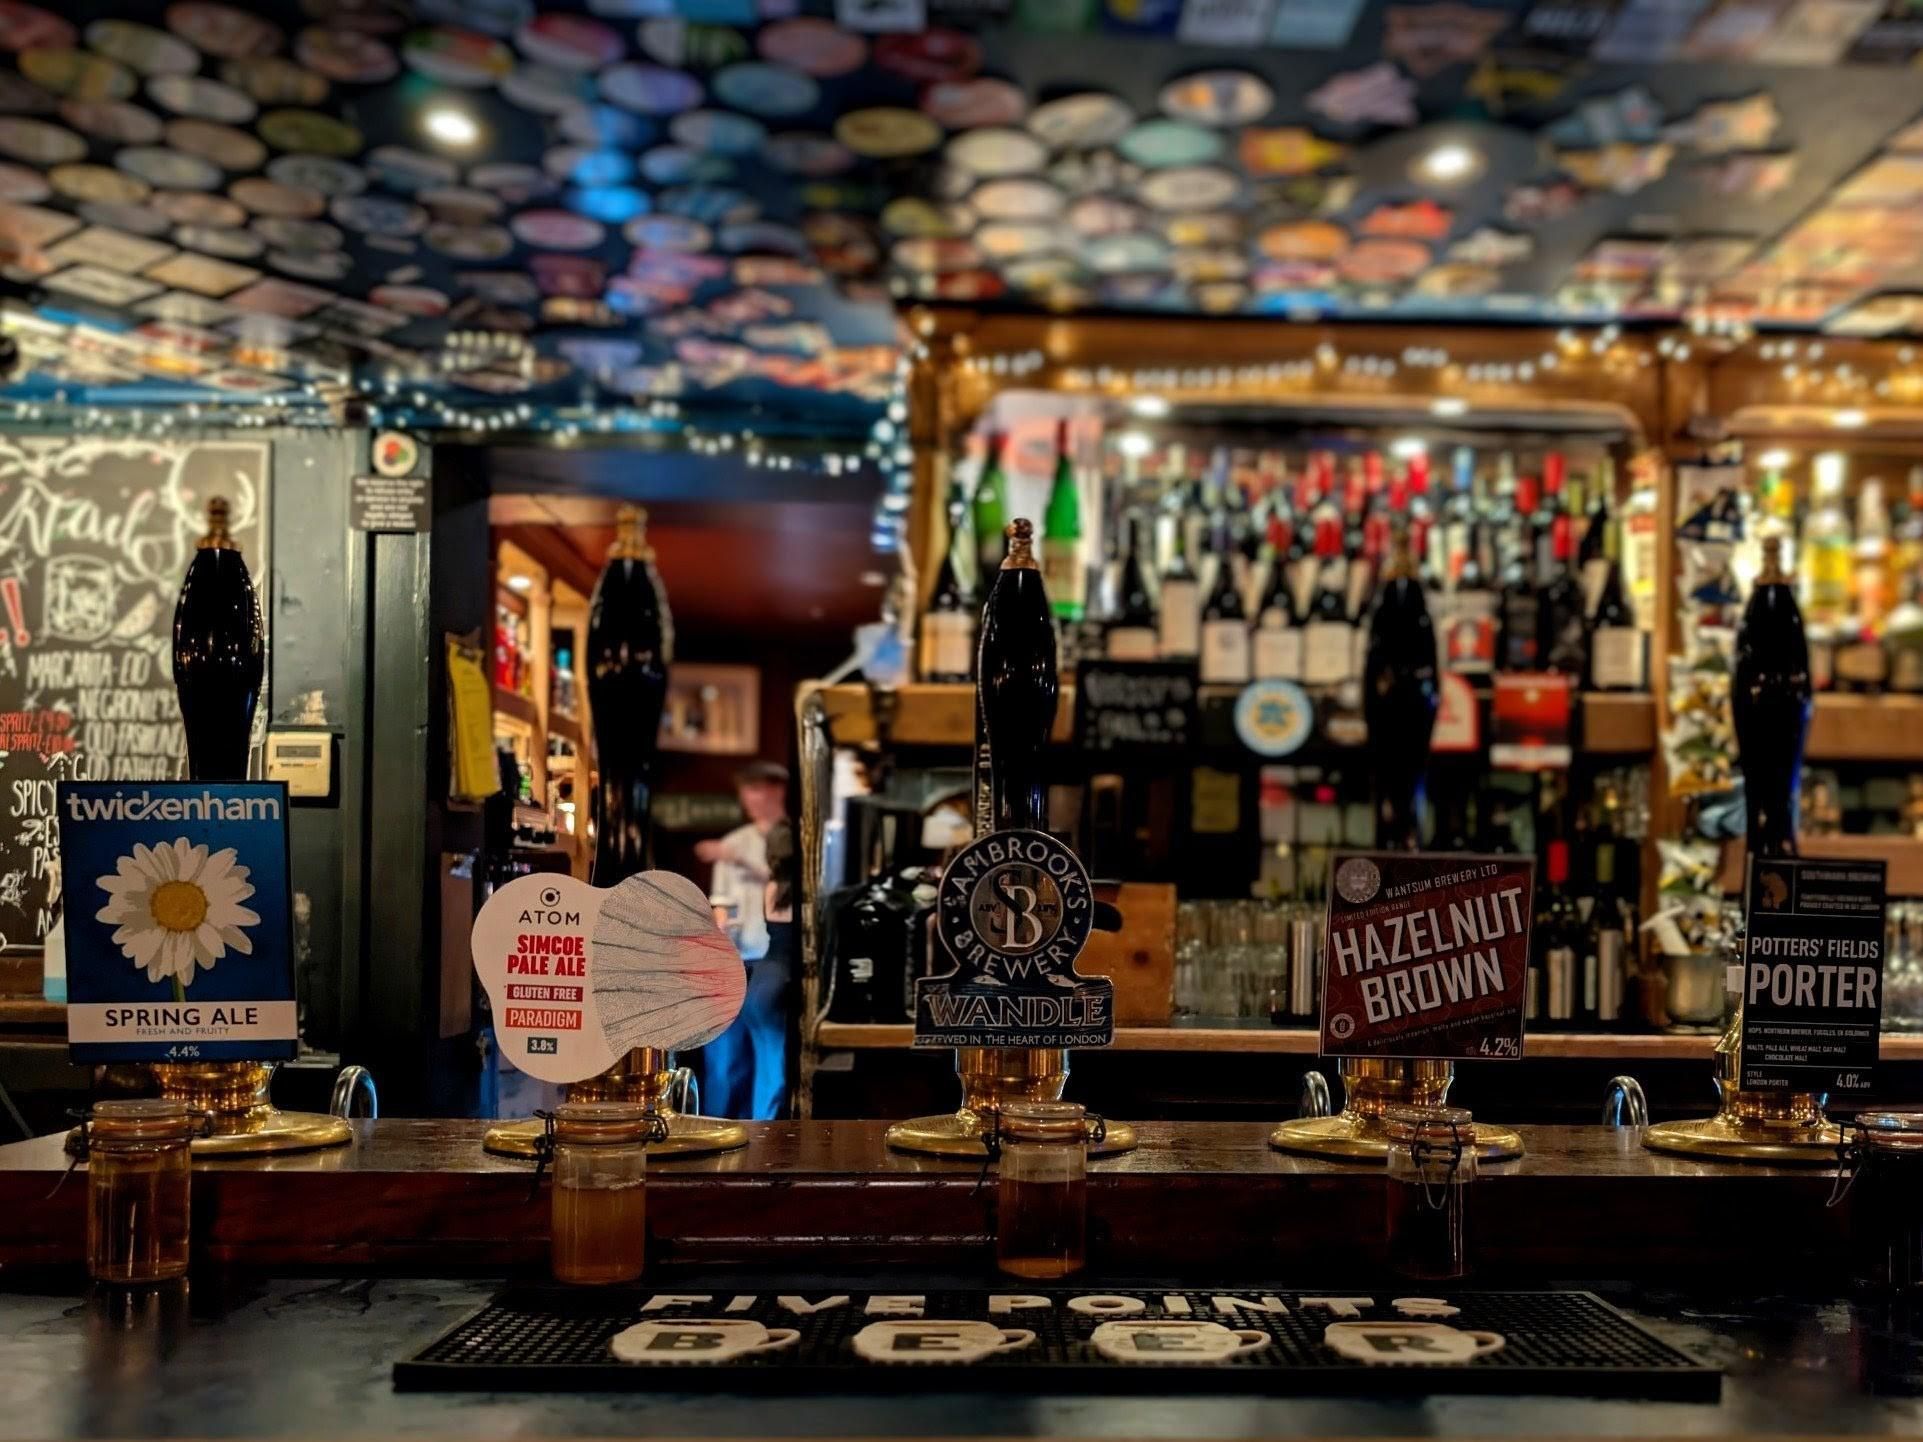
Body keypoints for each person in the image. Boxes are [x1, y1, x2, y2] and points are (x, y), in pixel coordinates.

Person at [693, 762, 791, 1118]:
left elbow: (785, 879)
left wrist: (739, 860)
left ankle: (763, 1131)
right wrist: (720, 925)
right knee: (725, 1060)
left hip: (774, 958)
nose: (750, 799)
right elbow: (721, 901)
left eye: (757, 790)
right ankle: (716, 1127)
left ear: (777, 791)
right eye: (746, 791)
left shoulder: (793, 839)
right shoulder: (735, 841)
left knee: (768, 1058)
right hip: (737, 958)